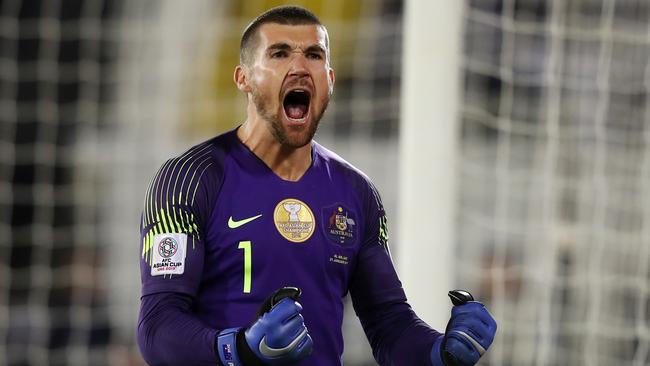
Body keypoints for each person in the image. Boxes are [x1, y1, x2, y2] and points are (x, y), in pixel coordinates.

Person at [137, 5, 496, 366]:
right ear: (243, 77)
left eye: (313, 55)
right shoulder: (190, 179)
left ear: (330, 79)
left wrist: (442, 352)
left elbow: (390, 324)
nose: (299, 67)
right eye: (279, 53)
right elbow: (157, 328)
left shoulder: (355, 193)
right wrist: (240, 349)